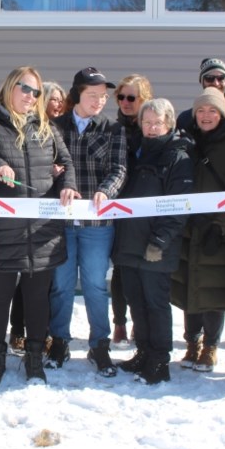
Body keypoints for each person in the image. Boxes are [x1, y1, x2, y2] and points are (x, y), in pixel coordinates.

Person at [0, 66, 77, 388]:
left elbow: (66, 165)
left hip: (42, 234)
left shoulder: (46, 128)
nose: (31, 96)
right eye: (25, 88)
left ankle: (34, 359)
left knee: (37, 301)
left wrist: (67, 184)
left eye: (36, 92)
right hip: (0, 233)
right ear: (10, 87)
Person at [48, 67, 127, 376]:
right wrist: (53, 174)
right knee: (61, 285)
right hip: (62, 223)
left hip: (98, 225)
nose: (99, 100)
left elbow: (119, 168)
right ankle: (59, 341)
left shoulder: (112, 129)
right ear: (77, 94)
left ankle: (100, 345)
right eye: (92, 95)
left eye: (103, 96)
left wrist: (107, 192)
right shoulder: (55, 127)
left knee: (95, 285)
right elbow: (43, 164)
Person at [111, 99, 193, 385]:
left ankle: (159, 360)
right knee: (136, 302)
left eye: (157, 122)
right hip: (129, 244)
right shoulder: (135, 152)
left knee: (156, 304)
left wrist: (159, 240)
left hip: (155, 247)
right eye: (147, 122)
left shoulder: (177, 157)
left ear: (169, 124)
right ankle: (143, 352)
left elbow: (177, 206)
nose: (151, 127)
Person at [171, 87, 225, 373]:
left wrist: (222, 225)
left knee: (214, 289)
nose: (206, 116)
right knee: (190, 287)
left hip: (218, 229)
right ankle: (192, 342)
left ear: (222, 114)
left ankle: (211, 346)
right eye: (201, 110)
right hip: (189, 227)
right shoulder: (186, 140)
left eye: (212, 110)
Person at [8, 80, 67, 352]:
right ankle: (18, 330)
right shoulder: (30, 127)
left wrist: (60, 174)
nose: (55, 104)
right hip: (28, 214)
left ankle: (44, 333)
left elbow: (67, 164)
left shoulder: (58, 128)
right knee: (26, 280)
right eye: (50, 99)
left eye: (59, 99)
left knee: (47, 284)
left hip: (57, 213)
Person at [109, 74, 153, 346]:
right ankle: (120, 323)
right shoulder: (113, 129)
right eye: (121, 97)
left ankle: (140, 321)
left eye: (131, 97)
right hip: (118, 206)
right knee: (120, 270)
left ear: (144, 99)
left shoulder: (150, 128)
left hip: (146, 208)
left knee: (143, 270)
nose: (126, 102)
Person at [176, 58, 225, 138]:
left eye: (221, 78)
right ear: (202, 82)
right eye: (209, 78)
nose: (216, 83)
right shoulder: (185, 118)